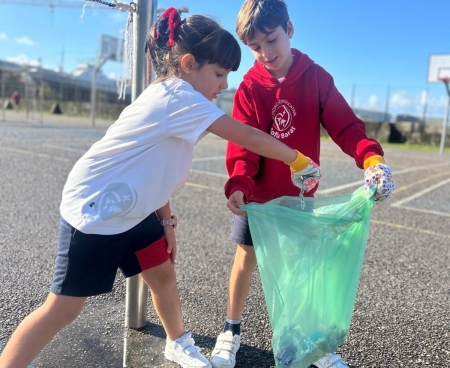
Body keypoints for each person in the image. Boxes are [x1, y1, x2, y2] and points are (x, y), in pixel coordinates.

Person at [0, 7, 321, 368]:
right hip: (97, 209)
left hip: (135, 209)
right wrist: (297, 160)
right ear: (187, 63)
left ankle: (177, 342)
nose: (224, 84)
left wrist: (165, 220)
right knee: (63, 309)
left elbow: (153, 168)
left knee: (163, 275)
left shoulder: (176, 98)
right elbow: (247, 135)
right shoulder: (178, 97)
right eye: (218, 73)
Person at [210, 1, 395, 368]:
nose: (265, 52)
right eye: (256, 46)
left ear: (289, 30)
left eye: (272, 40)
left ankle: (310, 343)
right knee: (246, 259)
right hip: (259, 200)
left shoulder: (316, 78)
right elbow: (246, 143)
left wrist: (372, 159)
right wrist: (240, 183)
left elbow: (346, 126)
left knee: (303, 268)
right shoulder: (249, 88)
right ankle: (230, 330)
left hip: (298, 198)